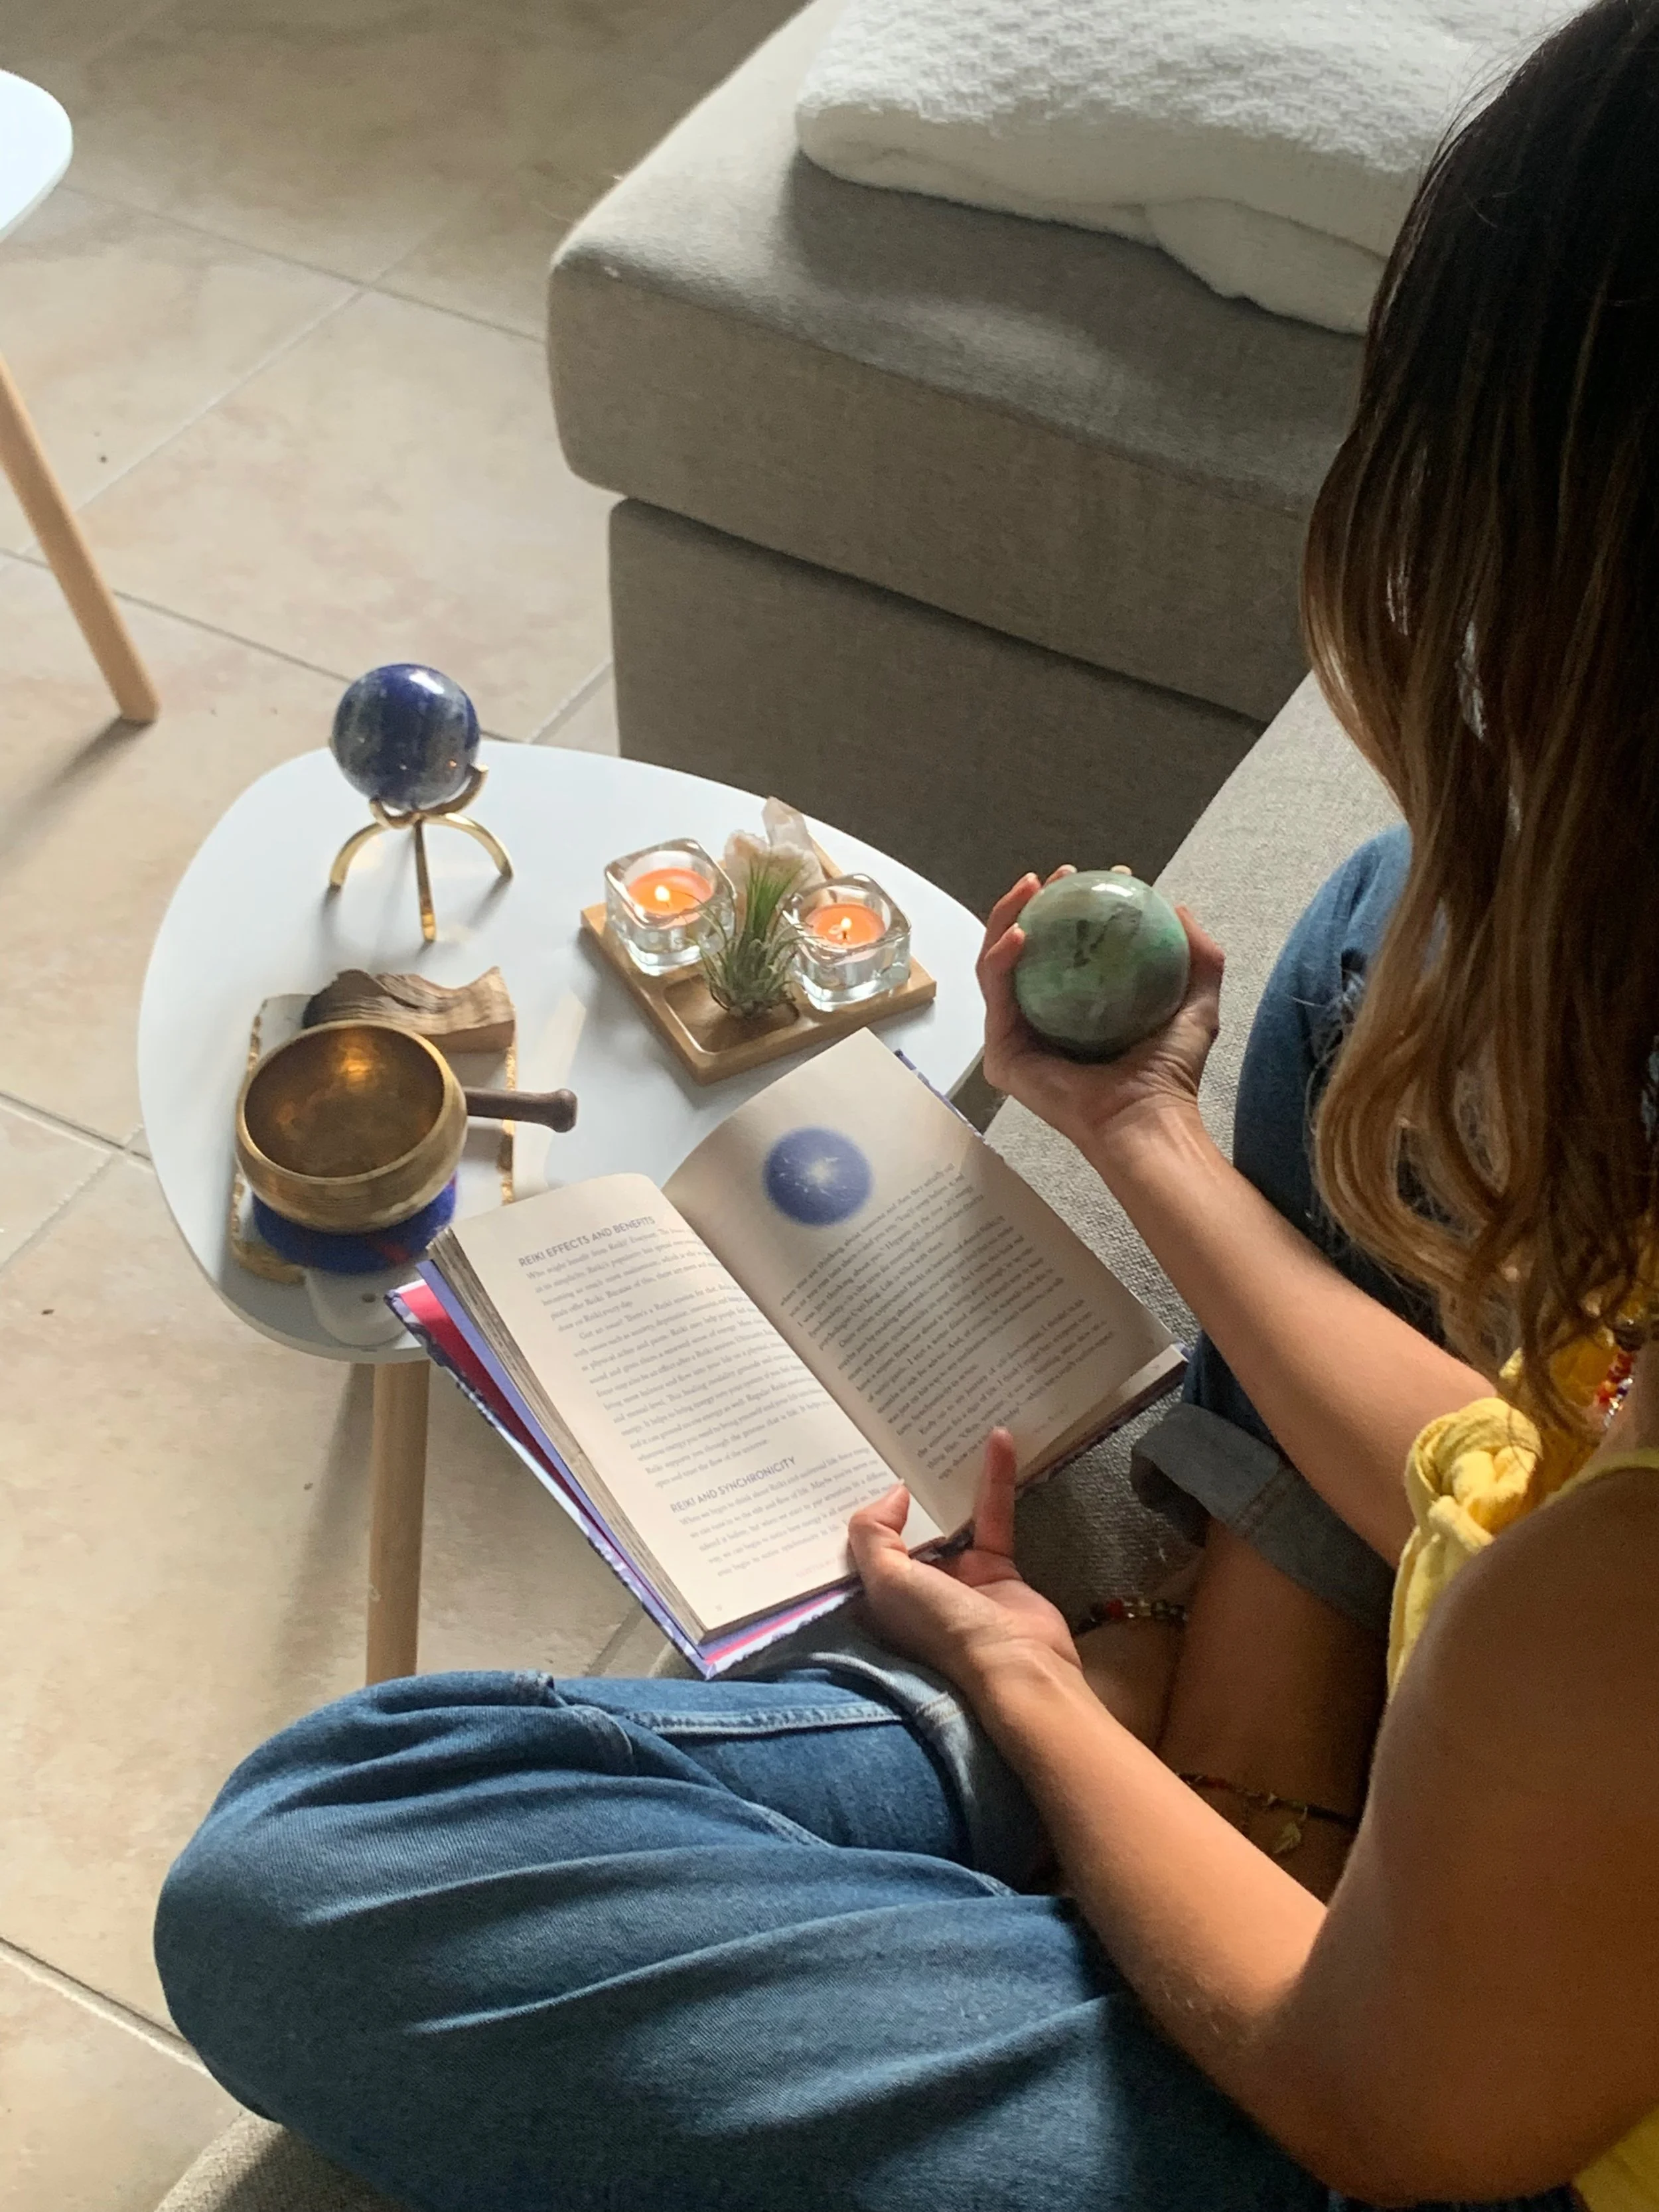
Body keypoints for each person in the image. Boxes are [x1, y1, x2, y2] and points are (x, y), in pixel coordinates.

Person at [154, 5, 1659, 2206]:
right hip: (1516, 1862)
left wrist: (1036, 1691)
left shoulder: (1607, 1614)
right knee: (1368, 933)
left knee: (320, 1863)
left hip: (1417, 2116)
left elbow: (1386, 2098)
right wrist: (1136, 1127)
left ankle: (1178, 1811)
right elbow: (1494, 1473)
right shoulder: (1587, 1529)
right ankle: (1226, 1774)